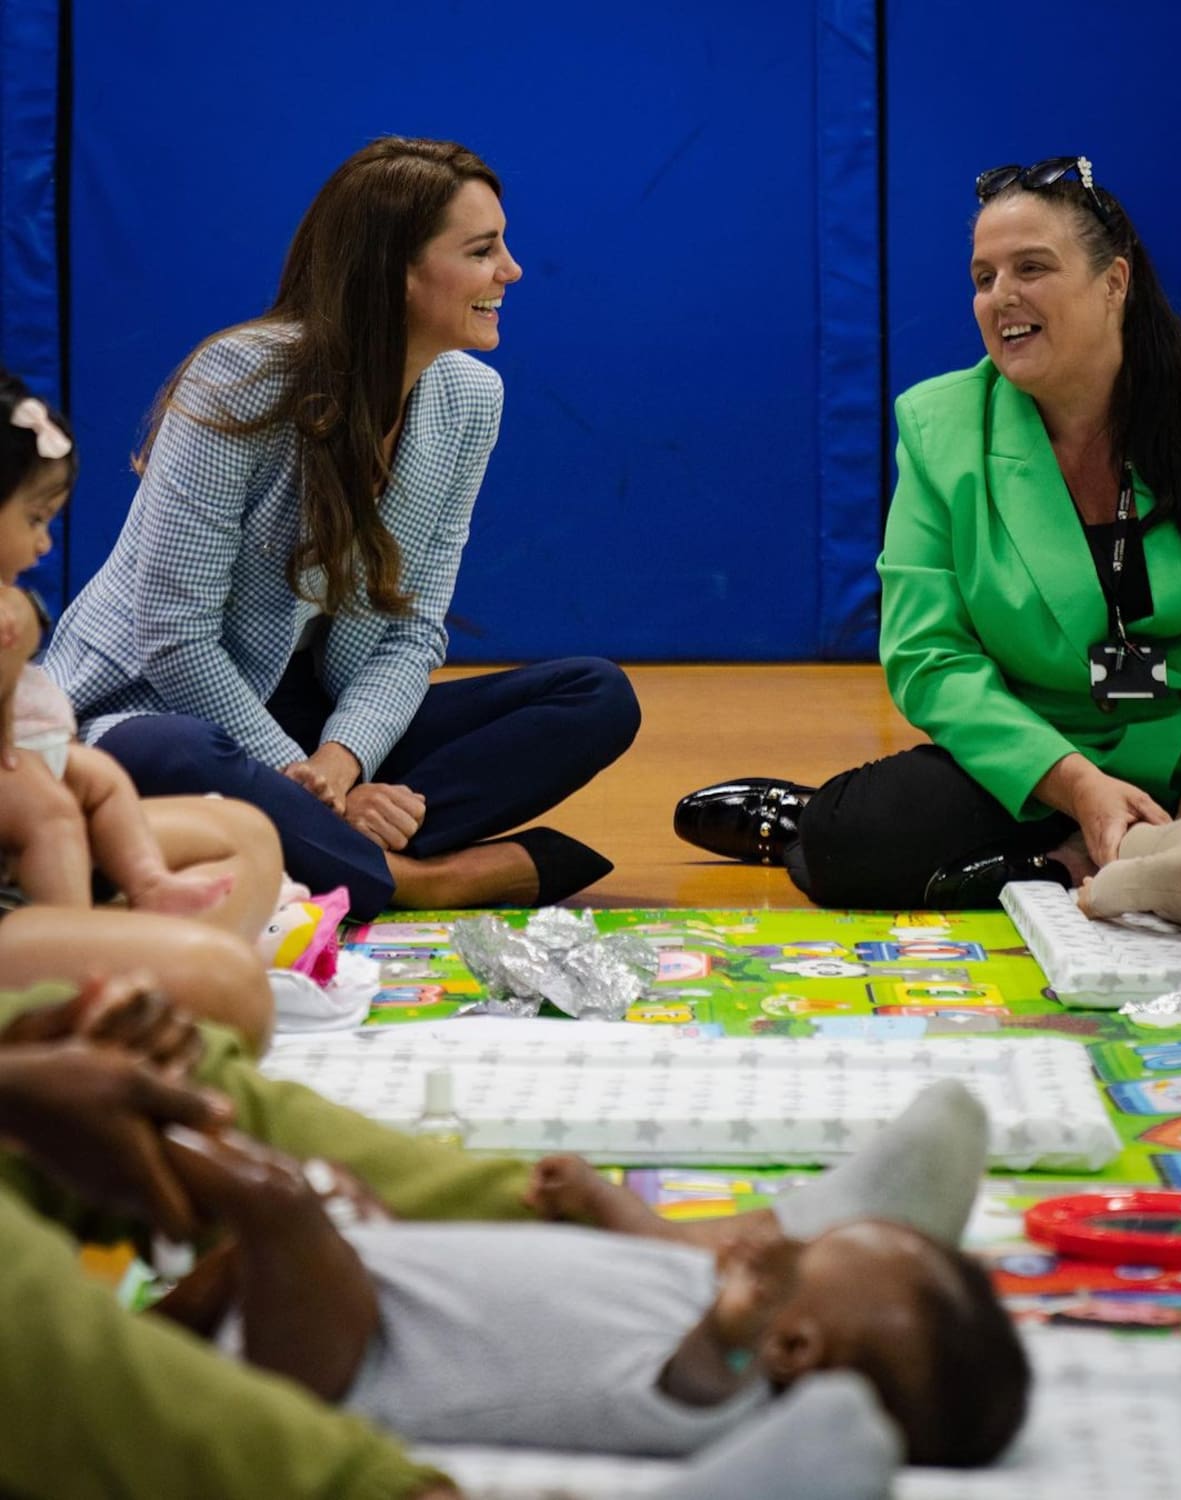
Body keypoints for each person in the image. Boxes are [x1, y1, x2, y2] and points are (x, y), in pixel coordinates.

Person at [0, 972, 902, 1500]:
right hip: (340, 1347)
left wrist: (32, 1060)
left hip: (337, 1293)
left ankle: (651, 1241)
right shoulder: (716, 1371)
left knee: (164, 1068)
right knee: (278, 1196)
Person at [45, 137, 640, 919]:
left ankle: (327, 851)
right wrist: (302, 776)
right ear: (395, 271)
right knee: (167, 753)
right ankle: (420, 879)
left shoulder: (471, 399)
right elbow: (173, 635)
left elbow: (413, 633)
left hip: (319, 726)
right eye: (482, 250)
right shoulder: (240, 379)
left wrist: (341, 763)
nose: (512, 270)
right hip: (161, 708)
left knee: (595, 695)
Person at [675, 156, 1181, 908]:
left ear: (1114, 282)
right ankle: (1078, 852)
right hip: (1039, 747)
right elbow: (929, 655)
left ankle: (1064, 865)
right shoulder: (940, 424)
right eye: (984, 277)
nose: (1001, 297)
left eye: (1031, 268)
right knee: (849, 839)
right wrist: (1076, 783)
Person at [152, 1079, 1027, 1476]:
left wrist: (729, 1334)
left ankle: (147, 1130)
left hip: (355, 1360)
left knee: (285, 1198)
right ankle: (153, 1337)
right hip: (391, 1281)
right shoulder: (719, 1304)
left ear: (790, 1342)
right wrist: (605, 1201)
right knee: (330, 1199)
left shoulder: (721, 1384)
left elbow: (699, 1377)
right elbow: (650, 1265)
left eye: (809, 1253)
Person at [0, 379, 233, 917]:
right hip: (12, 758)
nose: (44, 543)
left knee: (104, 779)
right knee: (52, 814)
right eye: (34, 520)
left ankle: (148, 880)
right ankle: (70, 932)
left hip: (36, 746)